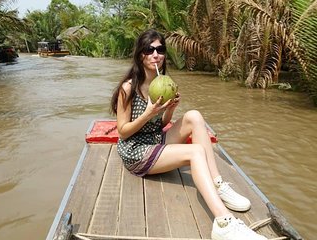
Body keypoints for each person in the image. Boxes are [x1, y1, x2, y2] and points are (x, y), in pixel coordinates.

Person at [110, 29, 267, 240]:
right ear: (141, 55)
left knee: (194, 115)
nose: (155, 54)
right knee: (195, 152)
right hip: (136, 150)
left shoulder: (163, 83)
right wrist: (147, 114)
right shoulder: (128, 88)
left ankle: (217, 184)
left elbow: (161, 125)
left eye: (160, 49)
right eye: (149, 50)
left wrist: (170, 110)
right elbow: (122, 131)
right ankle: (224, 223)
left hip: (155, 140)